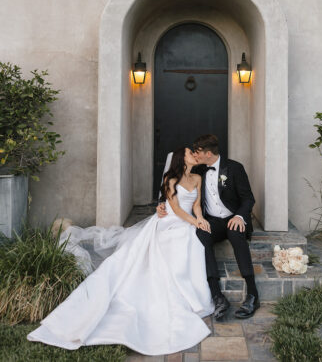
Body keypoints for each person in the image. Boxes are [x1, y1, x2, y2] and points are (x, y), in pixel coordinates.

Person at [27, 147, 214, 356]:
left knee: (192, 241)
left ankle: (191, 294)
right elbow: (176, 209)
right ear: (182, 158)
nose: (194, 155)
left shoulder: (197, 177)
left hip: (188, 222)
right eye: (190, 152)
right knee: (177, 241)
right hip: (170, 221)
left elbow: (196, 205)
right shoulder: (171, 179)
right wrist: (193, 222)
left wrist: (200, 219)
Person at [157, 134, 259, 321]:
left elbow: (248, 199)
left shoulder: (235, 168)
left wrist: (239, 216)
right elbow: (175, 185)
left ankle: (252, 294)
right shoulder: (200, 171)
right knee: (201, 236)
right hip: (213, 221)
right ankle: (217, 296)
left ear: (208, 153)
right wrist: (162, 203)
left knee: (237, 236)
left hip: (232, 218)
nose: (195, 155)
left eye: (197, 152)